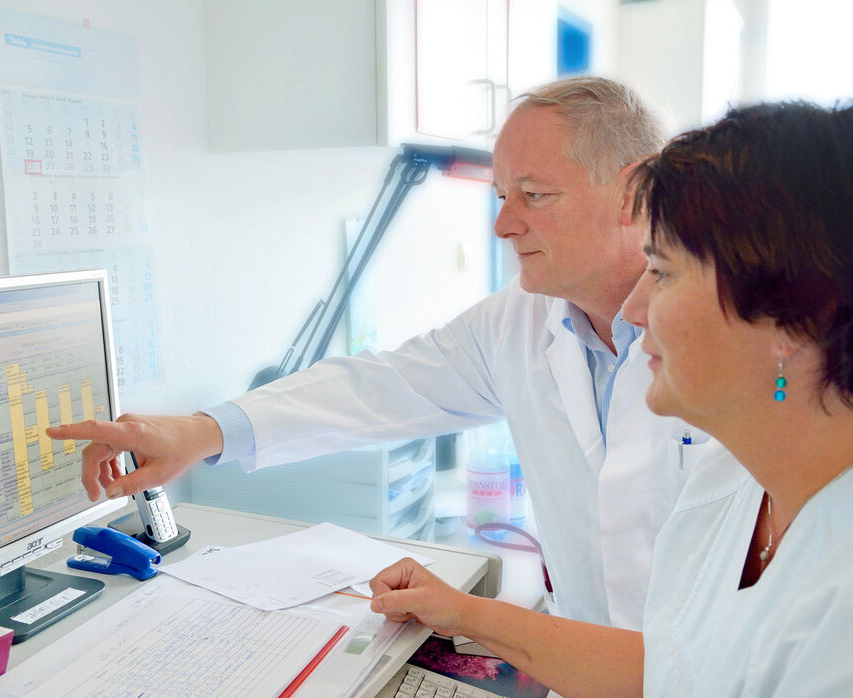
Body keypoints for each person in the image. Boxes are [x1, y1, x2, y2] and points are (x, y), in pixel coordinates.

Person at [48, 77, 699, 631]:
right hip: (581, 669)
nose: (504, 225)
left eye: (534, 195)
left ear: (635, 192)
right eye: (502, 197)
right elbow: (382, 387)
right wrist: (203, 432)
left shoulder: (732, 335)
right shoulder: (522, 323)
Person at [369, 100, 853, 695]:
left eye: (663, 272)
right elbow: (667, 671)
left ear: (795, 313)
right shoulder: (732, 481)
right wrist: (460, 612)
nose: (635, 309)